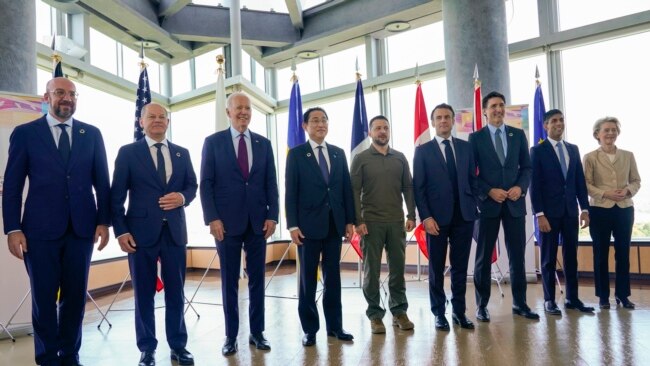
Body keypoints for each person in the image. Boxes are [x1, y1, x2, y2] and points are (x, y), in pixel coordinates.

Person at [2, 77, 111, 366]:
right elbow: (12, 186)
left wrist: (104, 222)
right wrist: (13, 228)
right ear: (46, 97)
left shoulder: (93, 134)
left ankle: (70, 356)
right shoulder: (25, 134)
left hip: (82, 230)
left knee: (75, 298)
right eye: (60, 93)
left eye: (72, 94)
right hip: (38, 232)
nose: (67, 98)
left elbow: (103, 183)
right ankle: (48, 357)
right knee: (44, 299)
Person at [111, 102, 198, 366]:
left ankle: (178, 346)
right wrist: (121, 231)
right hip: (139, 235)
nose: (158, 120)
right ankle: (147, 349)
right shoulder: (128, 153)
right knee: (143, 294)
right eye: (152, 116)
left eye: (163, 117)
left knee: (176, 292)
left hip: (174, 233)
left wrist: (182, 197)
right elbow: (116, 197)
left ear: (168, 122)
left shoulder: (182, 153)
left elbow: (192, 186)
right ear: (141, 121)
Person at [200, 92, 279, 356]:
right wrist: (212, 218)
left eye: (247, 108)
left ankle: (257, 332)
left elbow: (271, 184)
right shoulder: (213, 143)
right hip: (226, 224)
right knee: (229, 281)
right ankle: (231, 336)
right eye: (238, 108)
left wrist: (273, 216)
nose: (243, 112)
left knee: (258, 280)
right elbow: (206, 184)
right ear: (228, 112)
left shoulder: (264, 143)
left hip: (258, 223)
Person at [285, 107, 356, 347]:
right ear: (305, 126)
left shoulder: (338, 153)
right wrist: (292, 225)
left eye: (324, 120)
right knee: (308, 281)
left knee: (333, 278)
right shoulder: (296, 154)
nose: (320, 124)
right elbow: (290, 193)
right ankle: (310, 329)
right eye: (315, 121)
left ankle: (335, 326)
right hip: (307, 227)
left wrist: (349, 220)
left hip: (335, 225)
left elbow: (346, 189)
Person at [469, 91, 539, 322]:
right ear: (485, 111)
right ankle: (482, 306)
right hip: (488, 205)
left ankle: (520, 304)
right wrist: (489, 190)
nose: (498, 109)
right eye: (493, 106)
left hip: (514, 204)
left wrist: (520, 187)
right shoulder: (476, 138)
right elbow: (471, 175)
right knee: (483, 258)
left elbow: (526, 168)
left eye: (501, 105)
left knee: (517, 256)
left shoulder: (518, 135)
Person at [413, 103, 479, 331]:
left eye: (447, 117)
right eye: (439, 117)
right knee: (436, 268)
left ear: (453, 121)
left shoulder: (465, 147)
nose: (443, 121)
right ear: (432, 122)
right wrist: (426, 217)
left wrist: (474, 205)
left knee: (460, 267)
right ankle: (439, 313)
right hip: (436, 220)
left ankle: (459, 312)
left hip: (464, 216)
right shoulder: (423, 151)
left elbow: (472, 179)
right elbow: (418, 189)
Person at [350, 115, 416, 334]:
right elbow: (354, 191)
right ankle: (375, 315)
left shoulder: (400, 158)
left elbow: (408, 187)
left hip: (396, 222)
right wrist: (358, 221)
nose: (382, 131)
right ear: (370, 133)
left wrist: (411, 215)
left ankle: (399, 311)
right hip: (371, 224)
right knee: (372, 272)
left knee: (398, 270)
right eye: (377, 128)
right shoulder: (361, 159)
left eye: (385, 128)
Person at [530, 109, 594, 315]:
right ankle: (549, 300)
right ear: (546, 125)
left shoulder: (573, 149)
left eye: (561, 120)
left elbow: (579, 183)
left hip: (570, 213)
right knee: (548, 258)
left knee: (571, 258)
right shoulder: (537, 151)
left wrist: (584, 209)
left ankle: (572, 299)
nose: (559, 123)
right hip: (548, 215)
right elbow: (535, 186)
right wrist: (539, 214)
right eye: (554, 121)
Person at [583, 116, 641, 310]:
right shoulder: (590, 157)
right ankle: (603, 296)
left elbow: (636, 180)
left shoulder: (628, 155)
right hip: (600, 210)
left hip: (624, 210)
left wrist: (627, 191)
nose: (610, 133)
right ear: (597, 134)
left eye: (614, 130)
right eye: (606, 130)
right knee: (600, 254)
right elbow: (586, 185)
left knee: (623, 254)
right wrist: (605, 193)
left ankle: (623, 295)